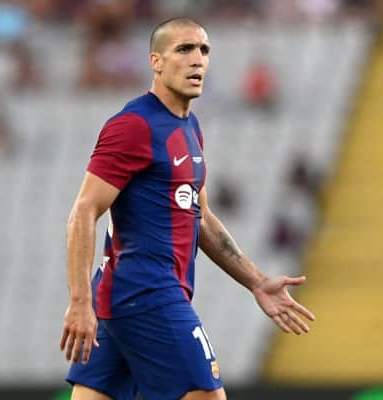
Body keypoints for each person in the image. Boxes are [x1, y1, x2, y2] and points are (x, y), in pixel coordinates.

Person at [60, 17, 315, 400]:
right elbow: (83, 211)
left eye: (204, 50)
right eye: (184, 49)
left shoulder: (189, 127)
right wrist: (79, 302)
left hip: (124, 294)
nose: (197, 60)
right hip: (148, 293)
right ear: (156, 61)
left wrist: (257, 281)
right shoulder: (134, 126)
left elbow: (202, 219)